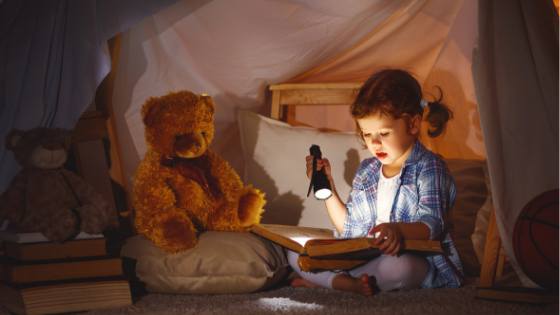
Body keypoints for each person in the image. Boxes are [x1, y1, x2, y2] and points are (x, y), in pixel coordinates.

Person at [288, 69, 464, 296]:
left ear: (413, 125)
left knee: (401, 266)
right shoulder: (367, 171)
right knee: (295, 252)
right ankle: (347, 282)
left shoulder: (430, 167)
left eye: (384, 133)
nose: (375, 143)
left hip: (414, 260)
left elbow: (433, 225)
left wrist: (397, 230)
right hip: (365, 260)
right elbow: (349, 230)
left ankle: (334, 282)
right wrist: (329, 188)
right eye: (367, 134)